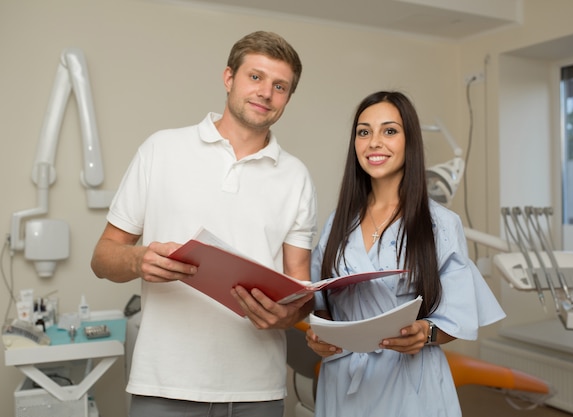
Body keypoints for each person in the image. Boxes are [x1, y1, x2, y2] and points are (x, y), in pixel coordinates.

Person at [91, 31, 317, 417]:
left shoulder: (296, 176)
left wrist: (292, 314)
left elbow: (301, 285)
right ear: (229, 78)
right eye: (256, 77)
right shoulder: (160, 149)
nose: (266, 93)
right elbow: (102, 257)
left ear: (288, 97)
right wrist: (138, 260)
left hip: (257, 391)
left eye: (280, 86)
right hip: (164, 384)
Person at [305, 91, 505, 417]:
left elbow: (459, 316)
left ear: (409, 141)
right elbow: (319, 301)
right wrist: (320, 335)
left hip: (412, 381)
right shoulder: (338, 221)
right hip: (342, 379)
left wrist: (426, 334)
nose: (374, 142)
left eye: (390, 131)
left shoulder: (439, 223)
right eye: (364, 132)